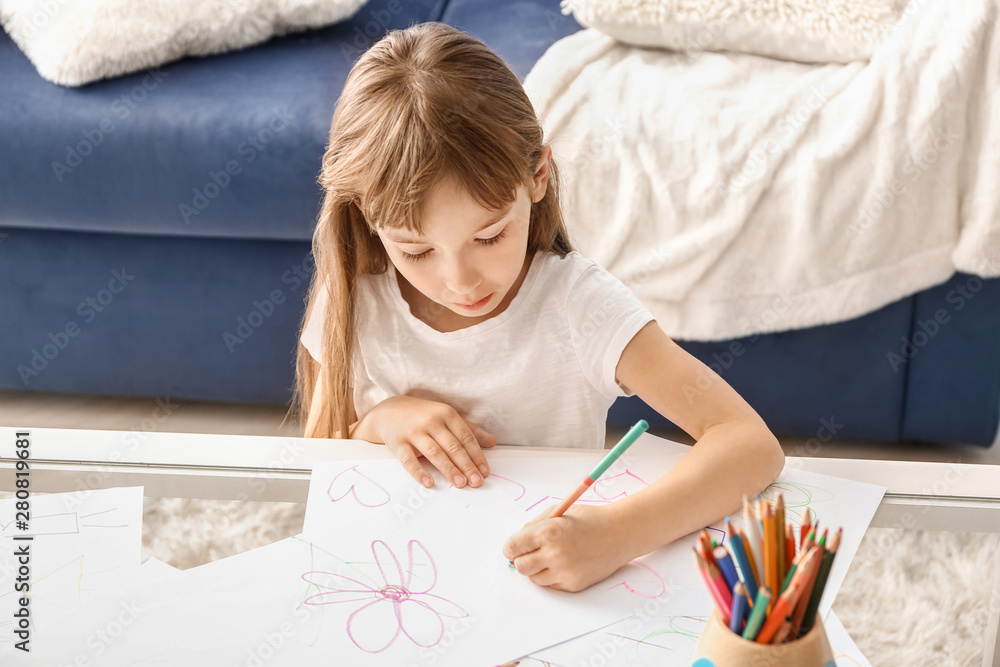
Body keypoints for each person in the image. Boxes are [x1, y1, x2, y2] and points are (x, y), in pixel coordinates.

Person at [288, 22, 784, 593]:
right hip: (402, 578)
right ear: (367, 218)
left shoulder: (578, 306)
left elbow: (749, 444)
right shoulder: (355, 295)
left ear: (538, 176)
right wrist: (380, 421)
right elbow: (320, 457)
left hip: (542, 593)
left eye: (490, 236)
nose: (459, 282)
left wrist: (619, 535)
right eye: (416, 250)